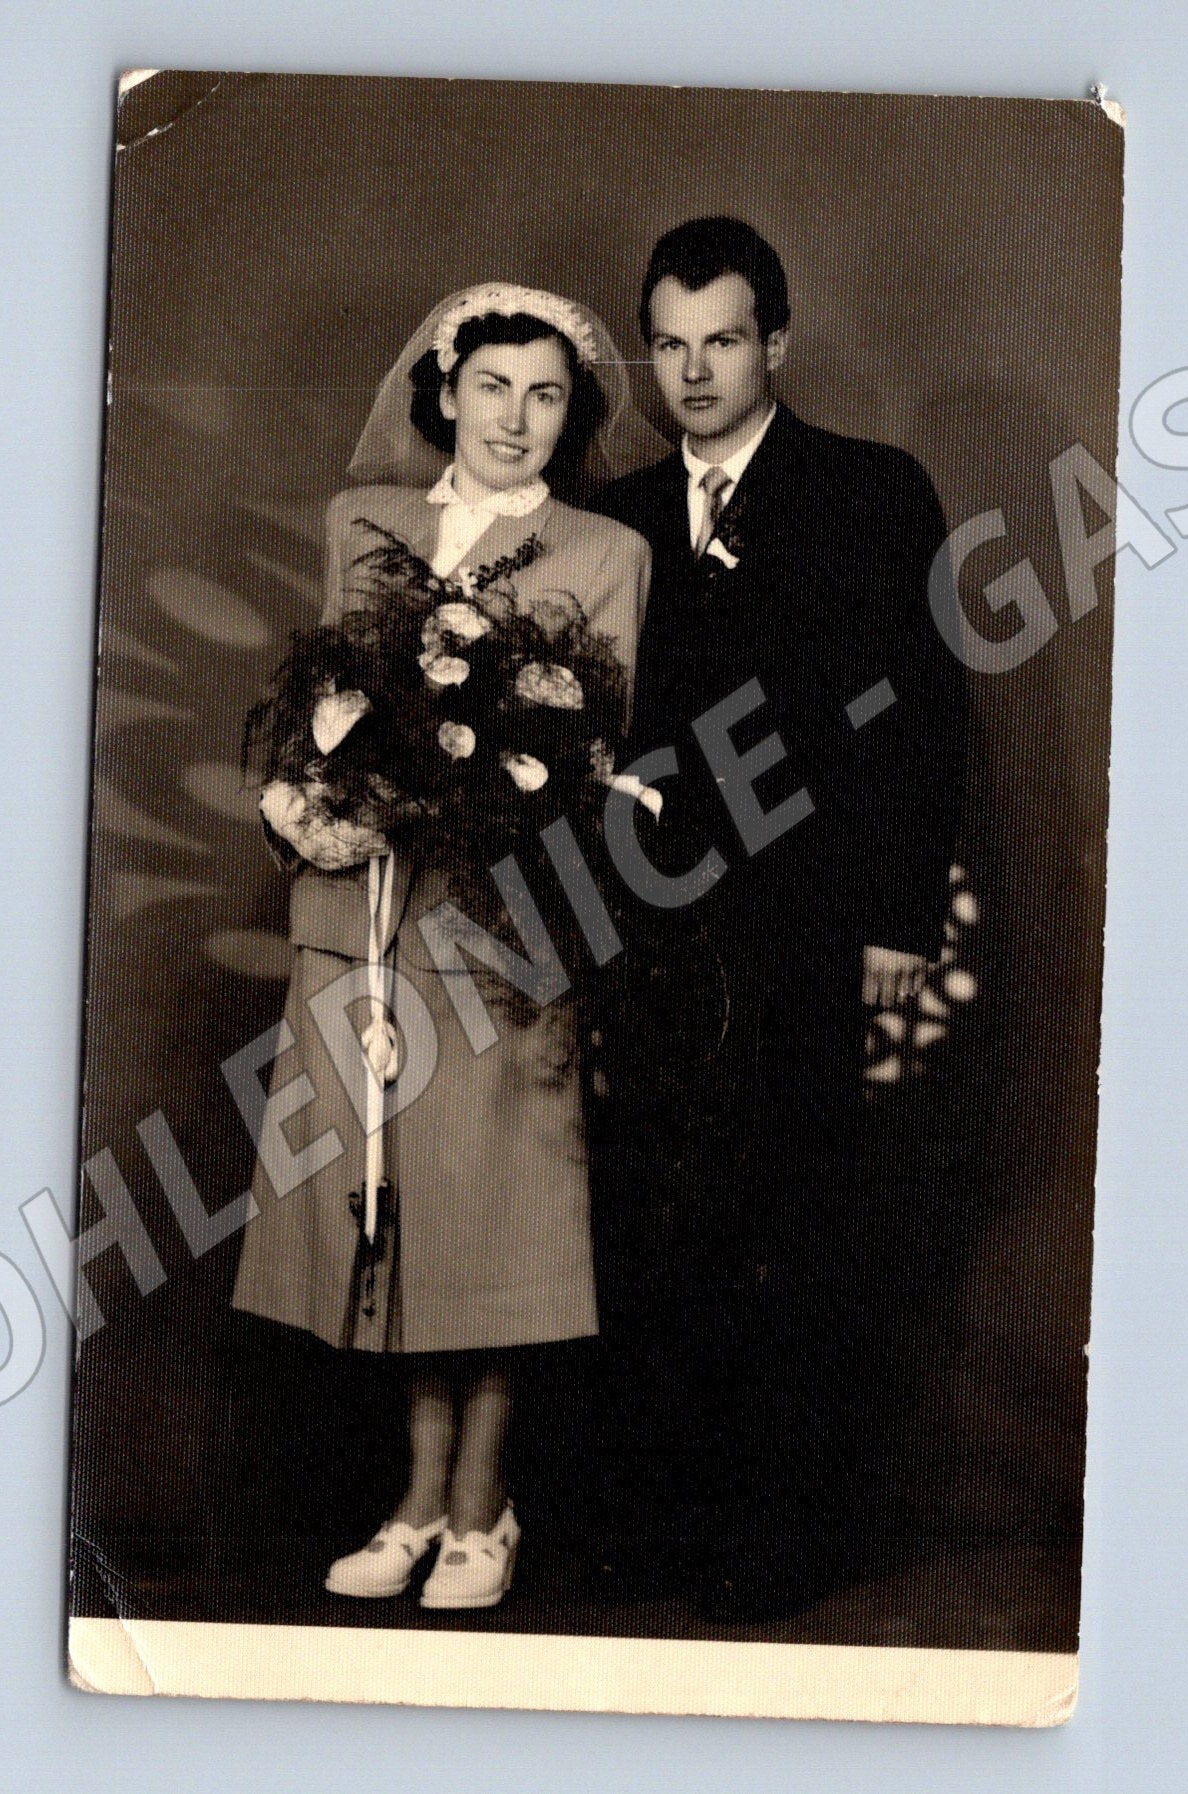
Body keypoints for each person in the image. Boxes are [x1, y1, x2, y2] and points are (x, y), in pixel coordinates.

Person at [231, 284, 658, 1610]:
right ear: (445, 392)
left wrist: (465, 786)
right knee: (397, 1212)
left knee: (497, 1216)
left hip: (500, 926)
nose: (515, 419)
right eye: (492, 388)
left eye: (547, 396)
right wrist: (309, 804)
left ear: (572, 414)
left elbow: (589, 749)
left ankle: (483, 1504)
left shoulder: (605, 549)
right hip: (362, 925)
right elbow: (327, 712)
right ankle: (417, 1501)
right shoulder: (361, 524)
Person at [594, 218, 967, 1619]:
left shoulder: (873, 490)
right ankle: (672, 1531)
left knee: (801, 1227)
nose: (694, 371)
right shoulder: (618, 515)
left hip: (814, 923)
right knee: (663, 1222)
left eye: (723, 341)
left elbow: (922, 713)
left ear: (778, 345)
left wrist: (897, 921)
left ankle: (794, 1539)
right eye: (670, 344)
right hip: (657, 938)